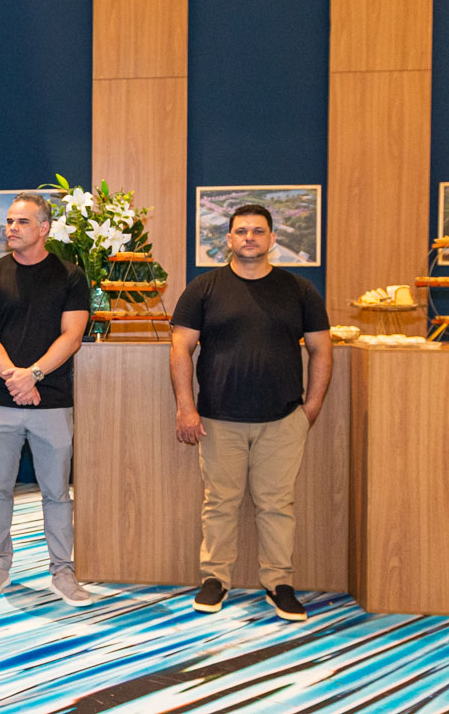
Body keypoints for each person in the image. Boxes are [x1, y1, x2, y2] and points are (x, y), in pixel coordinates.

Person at [170, 204, 332, 622]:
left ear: (272, 239)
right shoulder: (204, 288)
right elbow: (180, 348)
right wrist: (186, 408)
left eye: (258, 231)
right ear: (228, 239)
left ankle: (279, 583)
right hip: (218, 418)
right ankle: (215, 579)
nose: (249, 238)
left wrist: (311, 409)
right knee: (220, 502)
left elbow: (321, 350)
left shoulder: (299, 290)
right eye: (241, 231)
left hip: (283, 419)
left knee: (277, 504)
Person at [0, 193, 91, 606]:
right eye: (9, 221)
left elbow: (72, 336)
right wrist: (15, 378)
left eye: (22, 222)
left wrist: (34, 374)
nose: (11, 228)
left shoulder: (71, 276)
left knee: (57, 493)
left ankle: (63, 571)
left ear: (44, 228)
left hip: (52, 401)